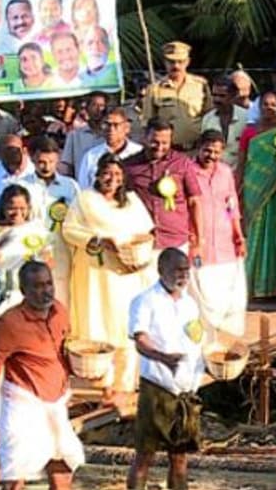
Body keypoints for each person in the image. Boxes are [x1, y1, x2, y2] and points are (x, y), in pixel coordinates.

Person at [63, 154, 155, 408]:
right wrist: (98, 240)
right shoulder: (85, 200)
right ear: (97, 174)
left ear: (123, 177)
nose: (111, 179)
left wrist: (134, 254)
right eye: (106, 174)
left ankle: (125, 386)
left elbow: (146, 231)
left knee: (125, 326)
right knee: (99, 324)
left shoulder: (132, 202)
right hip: (94, 272)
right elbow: (69, 230)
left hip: (126, 271)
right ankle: (104, 385)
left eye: (116, 175)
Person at [0, 261, 85, 490]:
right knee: (14, 484)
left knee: (63, 475)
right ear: (23, 290)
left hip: (56, 403)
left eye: (48, 284)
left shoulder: (59, 311)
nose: (45, 291)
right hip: (24, 406)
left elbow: (65, 349)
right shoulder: (8, 324)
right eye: (36, 287)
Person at [127, 249, 207, 490]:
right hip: (158, 386)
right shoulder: (145, 301)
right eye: (177, 270)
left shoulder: (190, 303)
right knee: (145, 455)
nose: (183, 275)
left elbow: (195, 338)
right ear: (161, 270)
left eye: (186, 270)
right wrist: (162, 357)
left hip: (187, 388)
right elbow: (140, 340)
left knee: (180, 456)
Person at [238, 90, 276, 299]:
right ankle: (254, 286)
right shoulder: (249, 132)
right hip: (254, 188)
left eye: (273, 105)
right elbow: (242, 162)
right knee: (254, 233)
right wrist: (237, 189)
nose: (269, 108)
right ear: (259, 107)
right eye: (265, 104)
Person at [190, 129, 248, 345]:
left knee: (227, 288)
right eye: (207, 150)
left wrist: (239, 235)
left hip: (225, 241)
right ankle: (202, 336)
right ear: (199, 147)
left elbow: (231, 205)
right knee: (200, 287)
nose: (211, 156)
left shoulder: (225, 172)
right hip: (198, 243)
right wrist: (195, 239)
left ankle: (225, 336)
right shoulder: (188, 171)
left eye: (216, 152)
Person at [123, 119, 204, 263]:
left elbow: (194, 201)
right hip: (143, 242)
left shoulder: (182, 163)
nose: (160, 147)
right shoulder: (129, 165)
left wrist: (198, 239)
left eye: (165, 143)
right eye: (154, 141)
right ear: (144, 138)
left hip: (176, 240)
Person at [23, 136, 82, 307]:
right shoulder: (21, 186)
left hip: (62, 249)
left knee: (62, 294)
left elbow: (78, 218)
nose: (46, 167)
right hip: (30, 249)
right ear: (32, 158)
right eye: (41, 162)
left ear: (58, 158)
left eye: (51, 162)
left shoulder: (70, 186)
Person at [0, 184, 52, 315]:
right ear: (3, 208)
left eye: (22, 208)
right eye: (11, 208)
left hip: (33, 292)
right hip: (3, 293)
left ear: (29, 208)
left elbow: (49, 261)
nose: (17, 213)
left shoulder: (38, 229)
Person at [143, 41, 210, 151]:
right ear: (165, 62)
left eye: (180, 61)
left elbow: (209, 116)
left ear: (188, 62)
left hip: (196, 150)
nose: (176, 66)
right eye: (171, 62)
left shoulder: (200, 85)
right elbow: (148, 123)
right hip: (168, 151)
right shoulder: (154, 89)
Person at [76, 108, 143, 189]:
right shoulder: (91, 156)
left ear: (126, 128)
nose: (111, 129)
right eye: (107, 124)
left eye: (116, 125)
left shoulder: (138, 152)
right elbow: (83, 188)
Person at [200, 79, 248, 167]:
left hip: (240, 170)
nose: (217, 99)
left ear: (233, 96)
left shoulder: (246, 117)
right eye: (214, 95)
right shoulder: (207, 119)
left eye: (222, 96)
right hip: (214, 172)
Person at [59, 92, 109, 177]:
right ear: (87, 108)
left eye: (102, 105)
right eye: (94, 105)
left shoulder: (109, 135)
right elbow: (67, 166)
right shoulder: (74, 135)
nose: (98, 109)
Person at [0, 133, 35, 199]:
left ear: (25, 151)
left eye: (15, 150)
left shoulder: (39, 172)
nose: (11, 154)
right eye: (7, 151)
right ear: (0, 153)